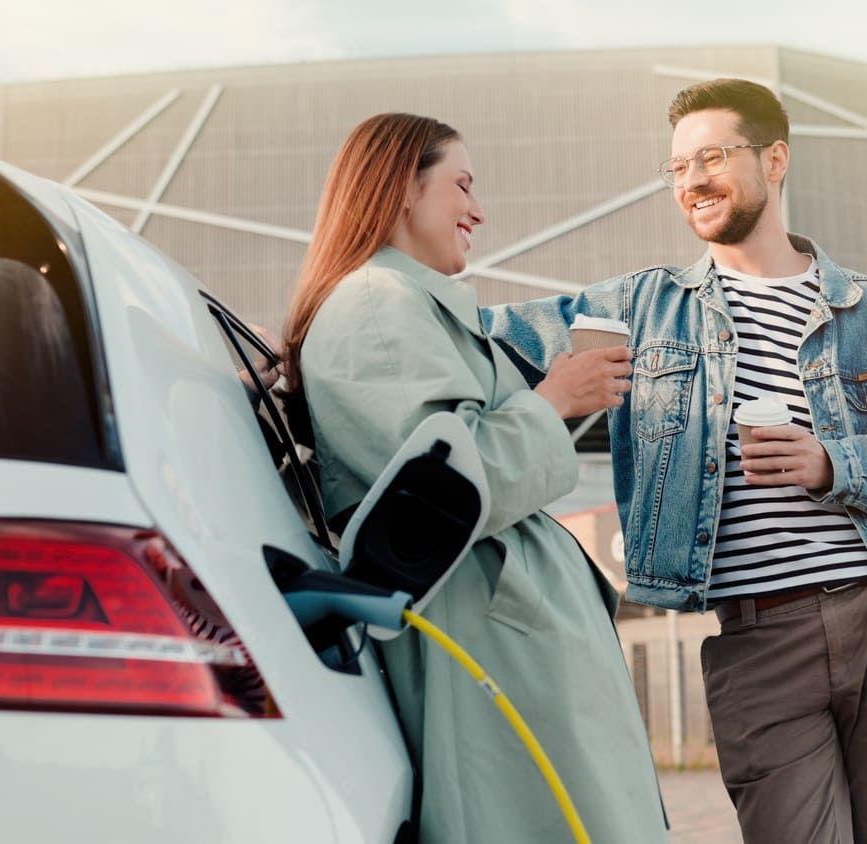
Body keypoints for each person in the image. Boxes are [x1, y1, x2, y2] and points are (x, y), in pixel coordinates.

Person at [483, 80, 867, 843]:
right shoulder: (640, 308)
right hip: (758, 642)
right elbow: (484, 337)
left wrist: (831, 463)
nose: (691, 182)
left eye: (710, 157)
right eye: (676, 167)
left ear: (775, 159)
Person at [281, 112, 667, 843]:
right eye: (462, 185)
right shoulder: (376, 305)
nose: (478, 211)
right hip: (486, 640)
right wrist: (556, 402)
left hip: (498, 633)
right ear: (402, 186)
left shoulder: (404, 304)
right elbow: (434, 492)